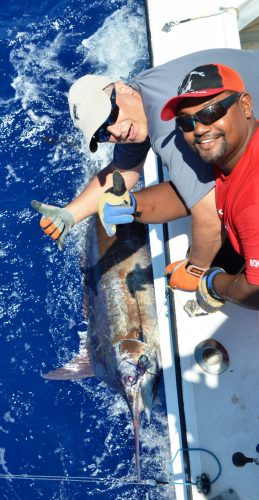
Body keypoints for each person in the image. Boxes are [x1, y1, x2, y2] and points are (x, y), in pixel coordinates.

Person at [32, 49, 259, 292]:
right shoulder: (142, 94)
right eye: (102, 133)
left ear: (122, 88)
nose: (115, 132)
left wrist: (196, 269)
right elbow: (124, 168)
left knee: (222, 257)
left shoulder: (167, 125)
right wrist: (70, 214)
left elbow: (210, 220)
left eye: (110, 117)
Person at [160, 62, 259, 310]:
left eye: (211, 112)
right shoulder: (233, 154)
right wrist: (134, 204)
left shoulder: (253, 201)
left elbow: (255, 292)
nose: (200, 129)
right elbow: (196, 194)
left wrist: (211, 281)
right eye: (186, 122)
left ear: (245, 105)